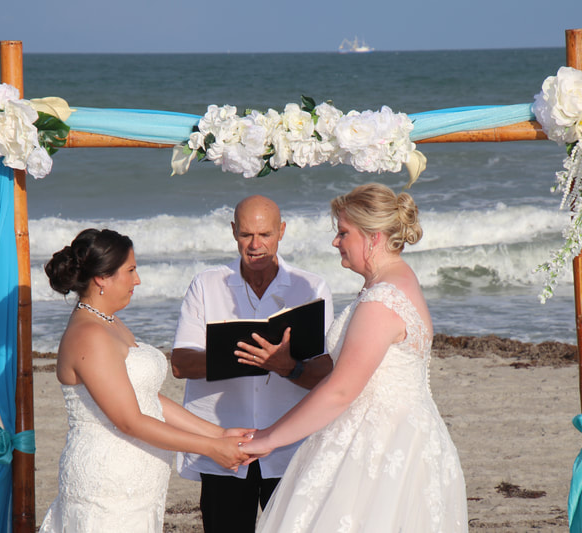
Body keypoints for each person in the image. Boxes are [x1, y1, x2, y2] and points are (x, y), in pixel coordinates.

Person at [243, 183, 468, 532]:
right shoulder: (397, 279)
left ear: (374, 237)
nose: (336, 242)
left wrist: (268, 439)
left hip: (379, 447)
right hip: (397, 435)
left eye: (344, 233)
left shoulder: (381, 301)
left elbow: (341, 390)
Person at [39, 228, 251, 533]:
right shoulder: (89, 335)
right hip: (109, 484)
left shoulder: (109, 322)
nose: (137, 280)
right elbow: (130, 420)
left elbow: (145, 396)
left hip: (135, 481)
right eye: (130, 270)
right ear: (102, 278)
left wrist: (220, 434)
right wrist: (209, 448)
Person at [171, 195, 335, 532]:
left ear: (282, 232)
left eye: (265, 234)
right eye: (246, 235)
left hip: (290, 446)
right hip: (225, 446)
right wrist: (246, 355)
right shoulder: (206, 284)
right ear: (233, 231)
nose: (255, 245)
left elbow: (325, 373)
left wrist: (286, 365)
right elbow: (181, 363)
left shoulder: (312, 287)